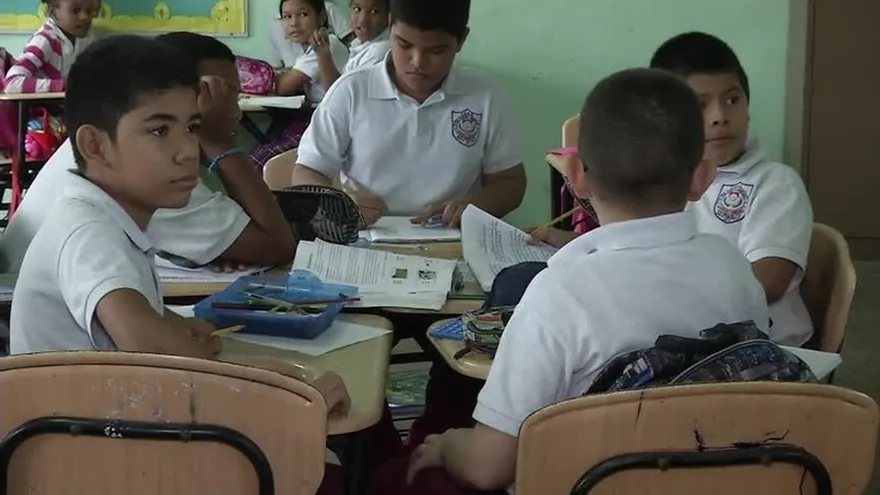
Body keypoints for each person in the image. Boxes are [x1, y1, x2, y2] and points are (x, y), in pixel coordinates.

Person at [374, 68, 771, 494]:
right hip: (722, 480)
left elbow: (488, 468)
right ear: (702, 178)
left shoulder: (559, 293)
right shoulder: (734, 269)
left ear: (577, 174)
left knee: (399, 473)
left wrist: (449, 445)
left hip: (592, 482)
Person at [8, 35, 347, 494]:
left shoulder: (108, 218)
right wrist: (278, 390)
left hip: (110, 438)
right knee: (318, 466)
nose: (188, 150)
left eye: (191, 127)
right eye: (159, 131)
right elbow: (144, 343)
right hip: (97, 464)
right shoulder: (87, 231)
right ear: (95, 145)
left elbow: (133, 326)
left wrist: (175, 324)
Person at [0, 32, 296, 272]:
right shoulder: (143, 168)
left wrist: (218, 250)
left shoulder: (123, 134)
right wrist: (220, 143)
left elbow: (250, 235)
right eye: (220, 92)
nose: (235, 108)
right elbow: (278, 245)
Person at [290, 0, 526, 228]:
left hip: (452, 239)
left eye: (436, 50)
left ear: (461, 40)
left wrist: (475, 206)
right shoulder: (351, 91)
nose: (417, 62)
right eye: (404, 45)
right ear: (390, 27)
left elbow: (510, 182)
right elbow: (307, 171)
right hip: (367, 238)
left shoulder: (484, 95)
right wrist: (340, 204)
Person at [649, 32, 814, 347]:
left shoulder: (776, 184)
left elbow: (767, 284)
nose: (720, 117)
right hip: (694, 334)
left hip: (766, 350)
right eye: (700, 105)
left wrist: (668, 297)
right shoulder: (663, 181)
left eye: (732, 100)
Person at [251, 0, 350, 168]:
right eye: (287, 17)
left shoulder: (327, 44)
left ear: (321, 17)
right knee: (260, 153)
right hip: (313, 116)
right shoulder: (309, 47)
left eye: (303, 14)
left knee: (262, 161)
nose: (294, 23)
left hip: (326, 122)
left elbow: (282, 86)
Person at [4, 0, 100, 93]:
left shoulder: (85, 39)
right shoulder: (44, 40)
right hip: (42, 104)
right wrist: (63, 86)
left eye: (89, 12)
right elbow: (12, 83)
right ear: (52, 11)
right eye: (75, 10)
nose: (84, 17)